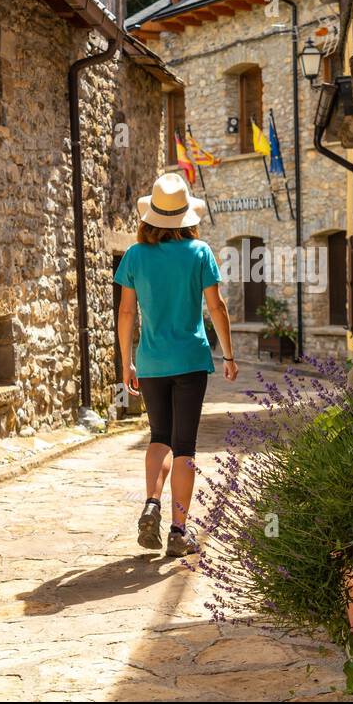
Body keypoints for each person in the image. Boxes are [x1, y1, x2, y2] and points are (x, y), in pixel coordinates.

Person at [114, 173, 237, 556]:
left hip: (151, 362)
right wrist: (229, 355)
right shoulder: (200, 252)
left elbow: (126, 312)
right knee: (185, 446)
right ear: (188, 217)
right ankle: (179, 531)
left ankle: (152, 501)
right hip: (190, 361)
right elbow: (216, 307)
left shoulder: (135, 256)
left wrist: (126, 363)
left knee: (159, 437)